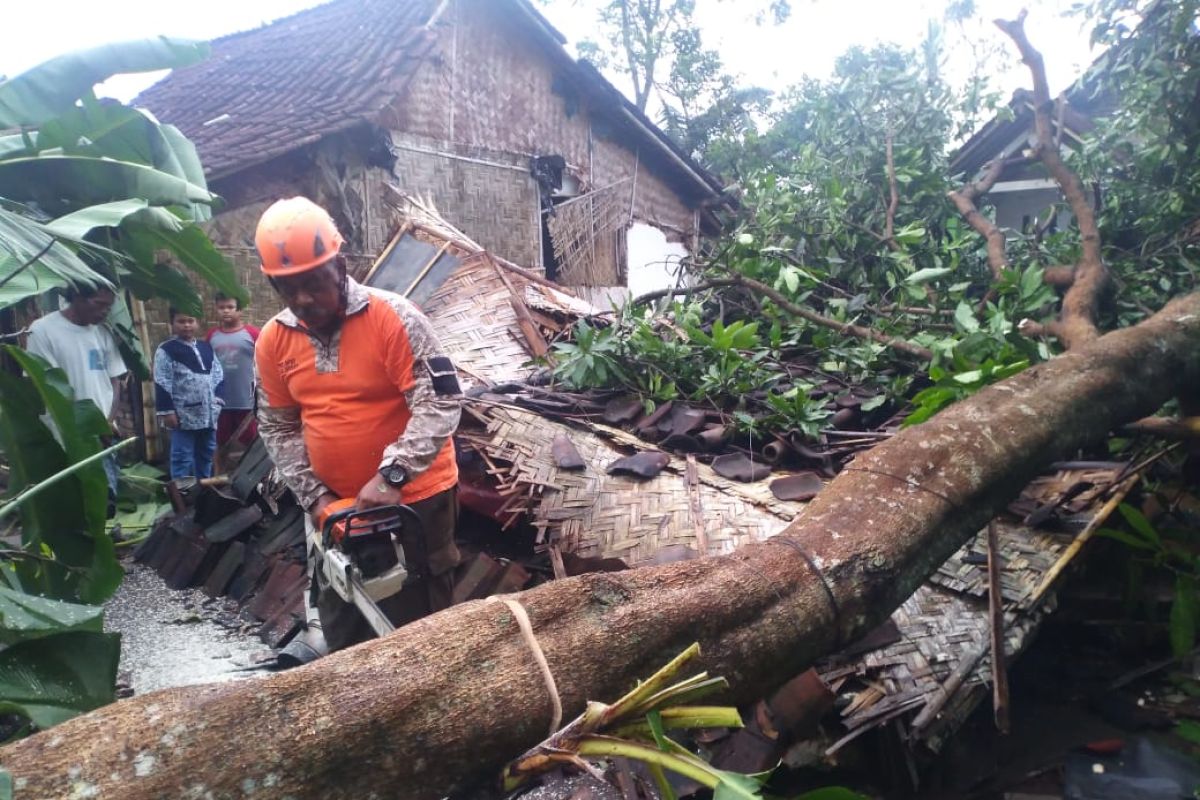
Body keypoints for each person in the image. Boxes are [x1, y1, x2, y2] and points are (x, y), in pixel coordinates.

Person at [253, 196, 462, 653]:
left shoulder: (394, 317)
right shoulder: (273, 341)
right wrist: (317, 497)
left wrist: (393, 475)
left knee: (418, 627)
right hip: (335, 511)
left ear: (341, 267)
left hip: (414, 500)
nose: (304, 300)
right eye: (289, 289)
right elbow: (278, 427)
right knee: (344, 622)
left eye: (314, 284)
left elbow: (441, 401)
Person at [25, 284, 128, 505]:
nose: (104, 312)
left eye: (108, 307)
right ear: (78, 296)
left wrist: (108, 421)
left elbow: (115, 381)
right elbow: (46, 384)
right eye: (99, 305)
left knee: (104, 498)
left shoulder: (103, 332)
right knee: (72, 497)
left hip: (103, 431)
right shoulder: (42, 330)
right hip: (64, 431)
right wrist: (86, 426)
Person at [154, 308, 224, 479]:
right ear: (172, 324)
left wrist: (218, 400)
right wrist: (167, 411)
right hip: (183, 416)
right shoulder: (166, 350)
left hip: (208, 414)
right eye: (181, 321)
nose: (186, 325)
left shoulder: (206, 348)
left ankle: (204, 490)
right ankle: (182, 496)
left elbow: (218, 374)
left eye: (190, 321)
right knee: (182, 457)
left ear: (197, 323)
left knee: (206, 453)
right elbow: (162, 380)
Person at [206, 293, 260, 451]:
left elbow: (266, 361)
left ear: (239, 310)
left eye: (230, 307)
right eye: (221, 307)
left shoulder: (253, 334)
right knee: (219, 444)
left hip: (247, 401)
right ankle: (219, 473)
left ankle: (252, 475)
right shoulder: (211, 336)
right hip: (220, 401)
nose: (226, 311)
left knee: (251, 443)